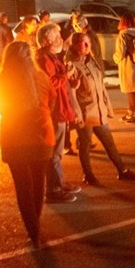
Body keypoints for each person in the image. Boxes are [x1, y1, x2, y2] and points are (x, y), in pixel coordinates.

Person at [0, 41, 56, 247]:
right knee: (39, 183)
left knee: (23, 187)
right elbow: (52, 102)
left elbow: (0, 107)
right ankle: (35, 226)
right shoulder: (42, 77)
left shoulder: (2, 79)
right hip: (42, 135)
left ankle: (34, 232)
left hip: (15, 136)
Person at [67, 33, 135, 185]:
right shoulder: (72, 65)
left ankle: (122, 170)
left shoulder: (90, 61)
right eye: (83, 43)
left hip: (98, 110)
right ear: (74, 45)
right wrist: (77, 113)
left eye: (88, 43)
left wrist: (106, 106)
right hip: (86, 112)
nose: (87, 46)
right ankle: (88, 175)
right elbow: (71, 93)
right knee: (85, 145)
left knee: (109, 142)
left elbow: (100, 87)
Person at [35, 22, 80, 203]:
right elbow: (50, 83)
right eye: (56, 36)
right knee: (54, 151)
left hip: (59, 109)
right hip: (54, 112)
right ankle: (53, 189)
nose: (60, 39)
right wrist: (66, 77)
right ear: (47, 40)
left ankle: (58, 183)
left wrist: (70, 84)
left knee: (57, 151)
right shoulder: (45, 59)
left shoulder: (51, 57)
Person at [114, 13, 135, 123]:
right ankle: (131, 111)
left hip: (127, 65)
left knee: (130, 90)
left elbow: (120, 53)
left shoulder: (123, 35)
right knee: (134, 89)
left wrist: (115, 58)